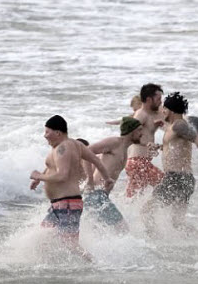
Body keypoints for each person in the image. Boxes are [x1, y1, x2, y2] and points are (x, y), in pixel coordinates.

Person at [29, 115, 114, 260]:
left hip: (67, 205)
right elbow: (96, 161)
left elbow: (62, 175)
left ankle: (96, 266)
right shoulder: (75, 145)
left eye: (47, 132)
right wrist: (107, 179)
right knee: (43, 239)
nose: (45, 136)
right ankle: (51, 269)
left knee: (71, 245)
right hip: (60, 205)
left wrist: (39, 176)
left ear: (58, 133)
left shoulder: (62, 148)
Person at [141, 92, 198, 236]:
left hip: (176, 178)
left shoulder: (179, 125)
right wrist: (159, 147)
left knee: (146, 211)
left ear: (171, 110)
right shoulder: (174, 126)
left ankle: (154, 241)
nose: (162, 111)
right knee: (177, 222)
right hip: (183, 178)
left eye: (165, 109)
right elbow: (178, 147)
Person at [81, 117, 144, 233]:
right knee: (123, 230)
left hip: (101, 196)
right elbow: (86, 152)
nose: (142, 133)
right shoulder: (115, 142)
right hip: (95, 195)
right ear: (132, 131)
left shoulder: (124, 148)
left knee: (104, 232)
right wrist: (90, 179)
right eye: (139, 130)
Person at [125, 84, 165, 198]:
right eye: (158, 99)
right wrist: (147, 144)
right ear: (148, 99)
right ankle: (150, 212)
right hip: (137, 162)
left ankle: (140, 214)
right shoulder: (141, 114)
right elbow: (128, 135)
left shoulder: (150, 114)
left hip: (140, 162)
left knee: (134, 198)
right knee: (165, 184)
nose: (160, 102)